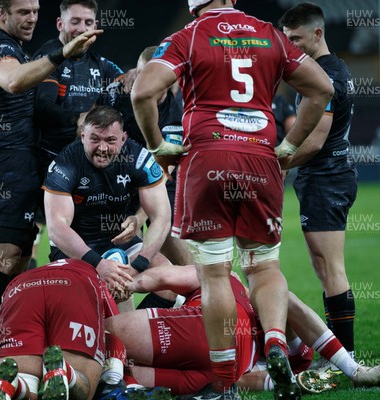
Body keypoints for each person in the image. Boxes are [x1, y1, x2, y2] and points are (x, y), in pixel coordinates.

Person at [131, 1, 335, 398]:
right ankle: (276, 340)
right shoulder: (269, 33)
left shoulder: (185, 37)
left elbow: (143, 92)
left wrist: (157, 146)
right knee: (263, 267)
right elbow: (322, 88)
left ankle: (225, 379)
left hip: (206, 158)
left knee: (215, 273)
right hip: (260, 160)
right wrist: (288, 147)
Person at [0, 0, 102, 383]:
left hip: (8, 158)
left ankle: (8, 348)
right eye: (23, 12)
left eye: (35, 11)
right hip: (5, 164)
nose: (31, 19)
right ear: (1, 11)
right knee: (3, 259)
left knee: (20, 257)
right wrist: (61, 54)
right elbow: (11, 81)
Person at [106, 264, 380, 396]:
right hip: (230, 369)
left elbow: (163, 275)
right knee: (222, 379)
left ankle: (116, 380)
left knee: (106, 335)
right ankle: (348, 370)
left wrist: (129, 284)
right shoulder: (245, 292)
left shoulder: (222, 278)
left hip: (208, 336)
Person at [279, 3, 359, 371]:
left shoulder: (326, 76)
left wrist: (274, 162)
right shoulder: (328, 70)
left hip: (326, 177)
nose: (291, 45)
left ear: (317, 33)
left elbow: (312, 143)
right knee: (324, 266)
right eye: (286, 39)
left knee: (331, 268)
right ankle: (339, 353)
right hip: (327, 177)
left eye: (296, 38)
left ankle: (344, 356)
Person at [42, 106, 171, 298]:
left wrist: (138, 265)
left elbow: (162, 216)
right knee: (106, 296)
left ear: (123, 138)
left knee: (167, 283)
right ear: (83, 136)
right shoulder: (65, 164)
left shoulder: (138, 158)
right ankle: (112, 324)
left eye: (110, 140)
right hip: (77, 249)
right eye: (95, 139)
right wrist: (100, 264)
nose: (102, 149)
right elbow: (57, 228)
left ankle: (141, 326)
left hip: (120, 242)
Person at [97, 46, 192, 267]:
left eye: (148, 76)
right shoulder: (115, 94)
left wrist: (140, 217)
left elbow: (161, 173)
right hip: (115, 179)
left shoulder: (177, 114)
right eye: (139, 74)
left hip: (160, 179)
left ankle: (194, 294)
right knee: (115, 247)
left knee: (171, 243)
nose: (141, 81)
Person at [0, 258, 120, 400]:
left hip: (21, 286)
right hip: (74, 284)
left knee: (24, 378)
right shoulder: (100, 279)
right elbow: (115, 332)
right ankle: (64, 372)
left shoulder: (44, 269)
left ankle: (13, 387)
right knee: (84, 390)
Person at [33, 0, 124, 171]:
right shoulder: (46, 59)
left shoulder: (100, 63)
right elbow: (43, 107)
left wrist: (142, 73)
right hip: (49, 160)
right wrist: (79, 119)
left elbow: (128, 83)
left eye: (88, 23)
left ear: (95, 26)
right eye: (75, 22)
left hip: (86, 159)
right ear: (60, 24)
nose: (82, 29)